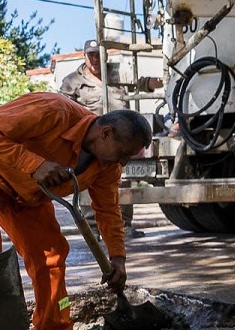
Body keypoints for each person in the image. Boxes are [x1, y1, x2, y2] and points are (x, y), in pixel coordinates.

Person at [0, 92, 153, 330]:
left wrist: (117, 257)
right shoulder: (52, 111)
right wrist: (35, 164)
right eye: (123, 153)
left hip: (26, 197)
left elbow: (108, 210)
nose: (123, 163)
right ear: (105, 133)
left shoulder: (107, 166)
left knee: (52, 256)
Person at [59, 39, 163, 238]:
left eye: (98, 55)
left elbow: (139, 82)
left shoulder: (117, 73)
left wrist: (154, 82)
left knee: (121, 182)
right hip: (94, 141)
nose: (95, 59)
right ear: (84, 56)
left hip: (121, 139)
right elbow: (65, 109)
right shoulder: (72, 81)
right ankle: (92, 227)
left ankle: (124, 225)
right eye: (91, 55)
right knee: (87, 182)